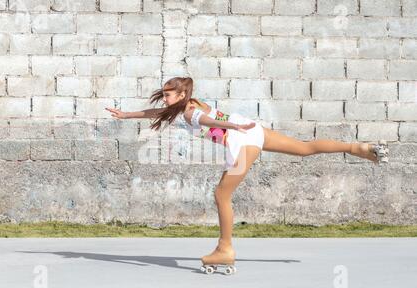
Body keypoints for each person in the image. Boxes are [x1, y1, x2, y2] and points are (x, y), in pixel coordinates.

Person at [105, 76, 389, 275]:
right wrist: (127, 115)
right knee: (303, 148)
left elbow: (205, 121)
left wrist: (229, 125)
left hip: (242, 139)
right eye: (164, 92)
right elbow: (160, 111)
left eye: (168, 93)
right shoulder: (187, 105)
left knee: (221, 194)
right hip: (250, 129)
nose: (164, 96)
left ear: (181, 95)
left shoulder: (191, 113)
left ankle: (225, 248)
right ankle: (360, 148)